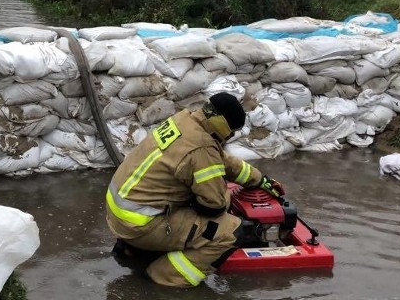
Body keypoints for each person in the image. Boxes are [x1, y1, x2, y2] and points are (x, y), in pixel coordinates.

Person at [105, 92, 285, 287]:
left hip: (122, 215)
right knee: (229, 230)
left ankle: (135, 251)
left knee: (190, 202)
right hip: (141, 226)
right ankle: (164, 275)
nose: (231, 136)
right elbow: (214, 206)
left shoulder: (184, 121)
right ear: (224, 126)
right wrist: (222, 194)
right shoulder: (201, 147)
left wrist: (260, 180)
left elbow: (222, 160)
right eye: (231, 131)